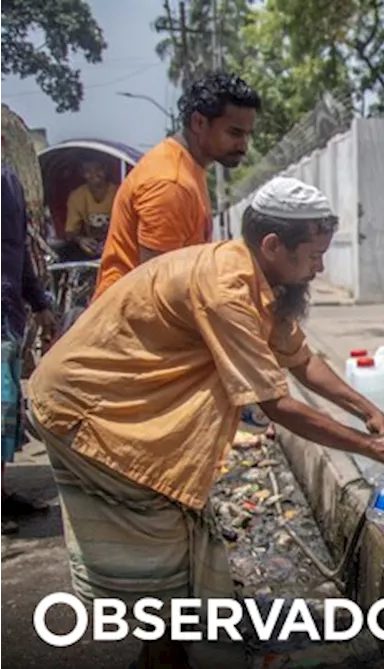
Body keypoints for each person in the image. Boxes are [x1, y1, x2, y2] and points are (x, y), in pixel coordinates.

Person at [26, 176, 384, 668]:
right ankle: (164, 659)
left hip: (124, 407)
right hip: (91, 408)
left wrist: (370, 412)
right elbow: (276, 403)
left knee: (175, 540)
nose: (320, 267)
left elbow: (300, 360)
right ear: (274, 245)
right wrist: (373, 448)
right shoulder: (225, 289)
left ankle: (165, 655)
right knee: (163, 547)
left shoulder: (257, 278)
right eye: (314, 255)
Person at [93, 70, 260, 302]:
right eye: (234, 133)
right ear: (199, 122)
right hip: (129, 328)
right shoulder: (171, 183)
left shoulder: (188, 169)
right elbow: (160, 291)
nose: (243, 145)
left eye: (247, 135)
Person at [0, 130, 58, 535]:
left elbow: (17, 251)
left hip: (7, 313)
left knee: (5, 409)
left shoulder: (10, 186)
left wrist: (39, 302)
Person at [62, 158, 118, 260]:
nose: (94, 174)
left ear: (106, 170)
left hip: (116, 244)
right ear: (82, 173)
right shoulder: (76, 196)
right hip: (92, 246)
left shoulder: (119, 192)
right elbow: (70, 231)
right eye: (88, 170)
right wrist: (81, 240)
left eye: (98, 169)